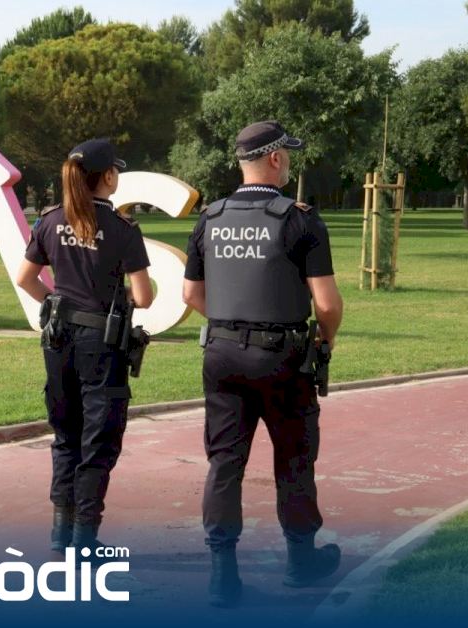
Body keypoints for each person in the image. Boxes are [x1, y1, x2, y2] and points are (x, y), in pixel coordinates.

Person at [181, 121, 345, 607]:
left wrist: (234, 324)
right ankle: (301, 562)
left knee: (224, 463)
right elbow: (327, 304)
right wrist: (326, 338)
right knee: (294, 458)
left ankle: (222, 577)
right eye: (287, 154)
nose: (289, 161)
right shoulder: (301, 220)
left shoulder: (210, 218)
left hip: (221, 355)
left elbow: (190, 294)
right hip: (283, 358)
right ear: (275, 159)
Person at [15, 138, 153, 552]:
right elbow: (144, 297)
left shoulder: (51, 220)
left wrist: (55, 304)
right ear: (107, 176)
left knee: (65, 436)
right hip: (101, 345)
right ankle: (85, 542)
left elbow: (25, 278)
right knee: (98, 441)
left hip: (58, 339)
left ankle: (61, 535)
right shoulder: (122, 228)